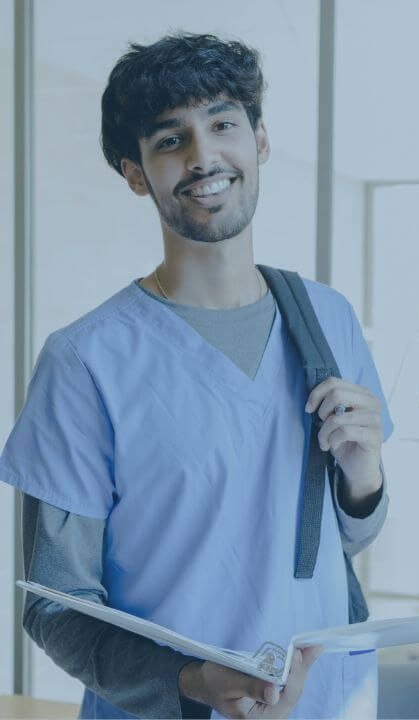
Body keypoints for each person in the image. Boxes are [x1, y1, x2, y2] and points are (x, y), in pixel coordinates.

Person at [0, 33, 394, 718]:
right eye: (169, 140)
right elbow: (55, 608)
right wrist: (193, 681)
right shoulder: (85, 362)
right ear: (135, 173)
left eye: (222, 123)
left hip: (326, 704)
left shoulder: (328, 320)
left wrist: (365, 477)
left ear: (260, 139)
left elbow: (344, 538)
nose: (204, 156)